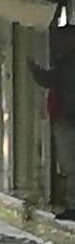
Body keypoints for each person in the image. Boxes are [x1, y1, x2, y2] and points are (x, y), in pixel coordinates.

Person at [29, 32, 75, 216]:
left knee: (70, 164)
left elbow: (48, 80)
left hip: (69, 118)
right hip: (68, 117)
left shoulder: (68, 63)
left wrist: (33, 69)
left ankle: (73, 206)